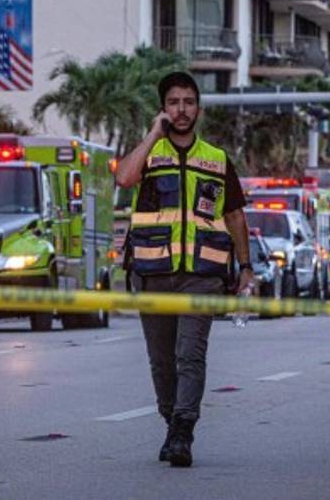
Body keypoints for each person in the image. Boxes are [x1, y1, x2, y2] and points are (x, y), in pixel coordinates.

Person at [115, 71, 253, 469]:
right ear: (163, 109)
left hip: (202, 276)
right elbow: (124, 177)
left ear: (199, 109)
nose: (181, 110)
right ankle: (170, 421)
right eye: (173, 103)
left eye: (188, 102)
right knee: (162, 361)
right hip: (153, 273)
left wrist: (246, 267)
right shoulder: (149, 152)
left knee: (190, 355)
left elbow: (235, 217)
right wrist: (151, 135)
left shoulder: (216, 159)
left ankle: (183, 432)